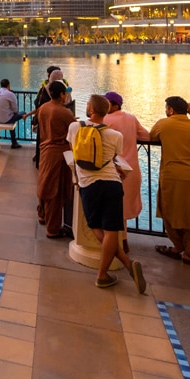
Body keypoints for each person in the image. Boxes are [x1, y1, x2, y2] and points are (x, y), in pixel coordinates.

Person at [67, 95, 146, 293]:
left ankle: (119, 267)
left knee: (95, 226)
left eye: (87, 105)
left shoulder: (75, 128)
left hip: (88, 184)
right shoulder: (115, 136)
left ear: (92, 110)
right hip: (112, 183)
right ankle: (116, 268)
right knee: (112, 229)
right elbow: (111, 158)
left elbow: (75, 154)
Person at [150, 97, 190, 264]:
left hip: (173, 176)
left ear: (170, 110)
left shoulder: (163, 124)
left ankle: (177, 246)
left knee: (170, 211)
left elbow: (151, 137)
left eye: (166, 108)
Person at [101, 91, 150, 248]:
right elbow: (147, 136)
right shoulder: (131, 118)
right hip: (132, 170)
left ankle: (117, 244)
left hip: (115, 169)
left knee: (113, 207)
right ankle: (123, 240)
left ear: (115, 105)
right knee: (121, 207)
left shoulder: (106, 120)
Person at [36, 80, 75, 239]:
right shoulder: (64, 112)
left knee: (45, 183)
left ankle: (43, 215)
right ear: (61, 94)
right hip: (59, 153)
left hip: (45, 150)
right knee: (55, 191)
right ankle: (53, 229)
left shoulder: (43, 108)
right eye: (65, 93)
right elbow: (74, 129)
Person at [0, 79, 26, 148]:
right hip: (6, 120)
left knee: (11, 119)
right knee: (23, 113)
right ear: (8, 85)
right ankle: (14, 142)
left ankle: (14, 142)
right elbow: (15, 110)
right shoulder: (10, 94)